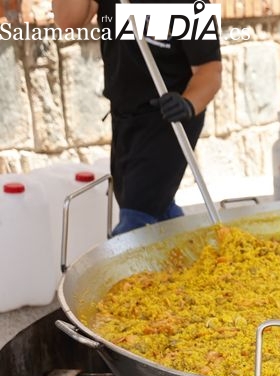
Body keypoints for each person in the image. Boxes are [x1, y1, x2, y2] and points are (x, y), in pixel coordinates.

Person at [53, 0, 222, 235]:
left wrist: (187, 104)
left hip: (170, 118)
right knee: (157, 210)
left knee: (135, 220)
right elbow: (67, 21)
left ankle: (120, 271)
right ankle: (196, 261)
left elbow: (210, 71)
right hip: (125, 117)